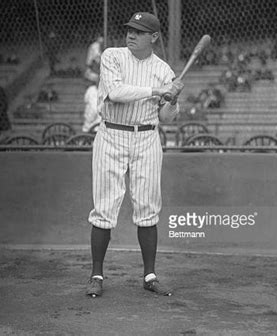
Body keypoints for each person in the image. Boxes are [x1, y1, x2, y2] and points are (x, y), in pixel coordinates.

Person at [86, 12, 184, 298]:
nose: (131, 35)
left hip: (146, 137)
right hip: (111, 134)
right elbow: (115, 92)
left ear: (153, 37)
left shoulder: (164, 70)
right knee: (104, 209)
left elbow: (166, 118)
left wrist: (172, 100)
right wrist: (157, 90)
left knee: (148, 208)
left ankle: (150, 275)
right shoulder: (112, 56)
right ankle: (96, 274)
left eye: (139, 32)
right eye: (130, 29)